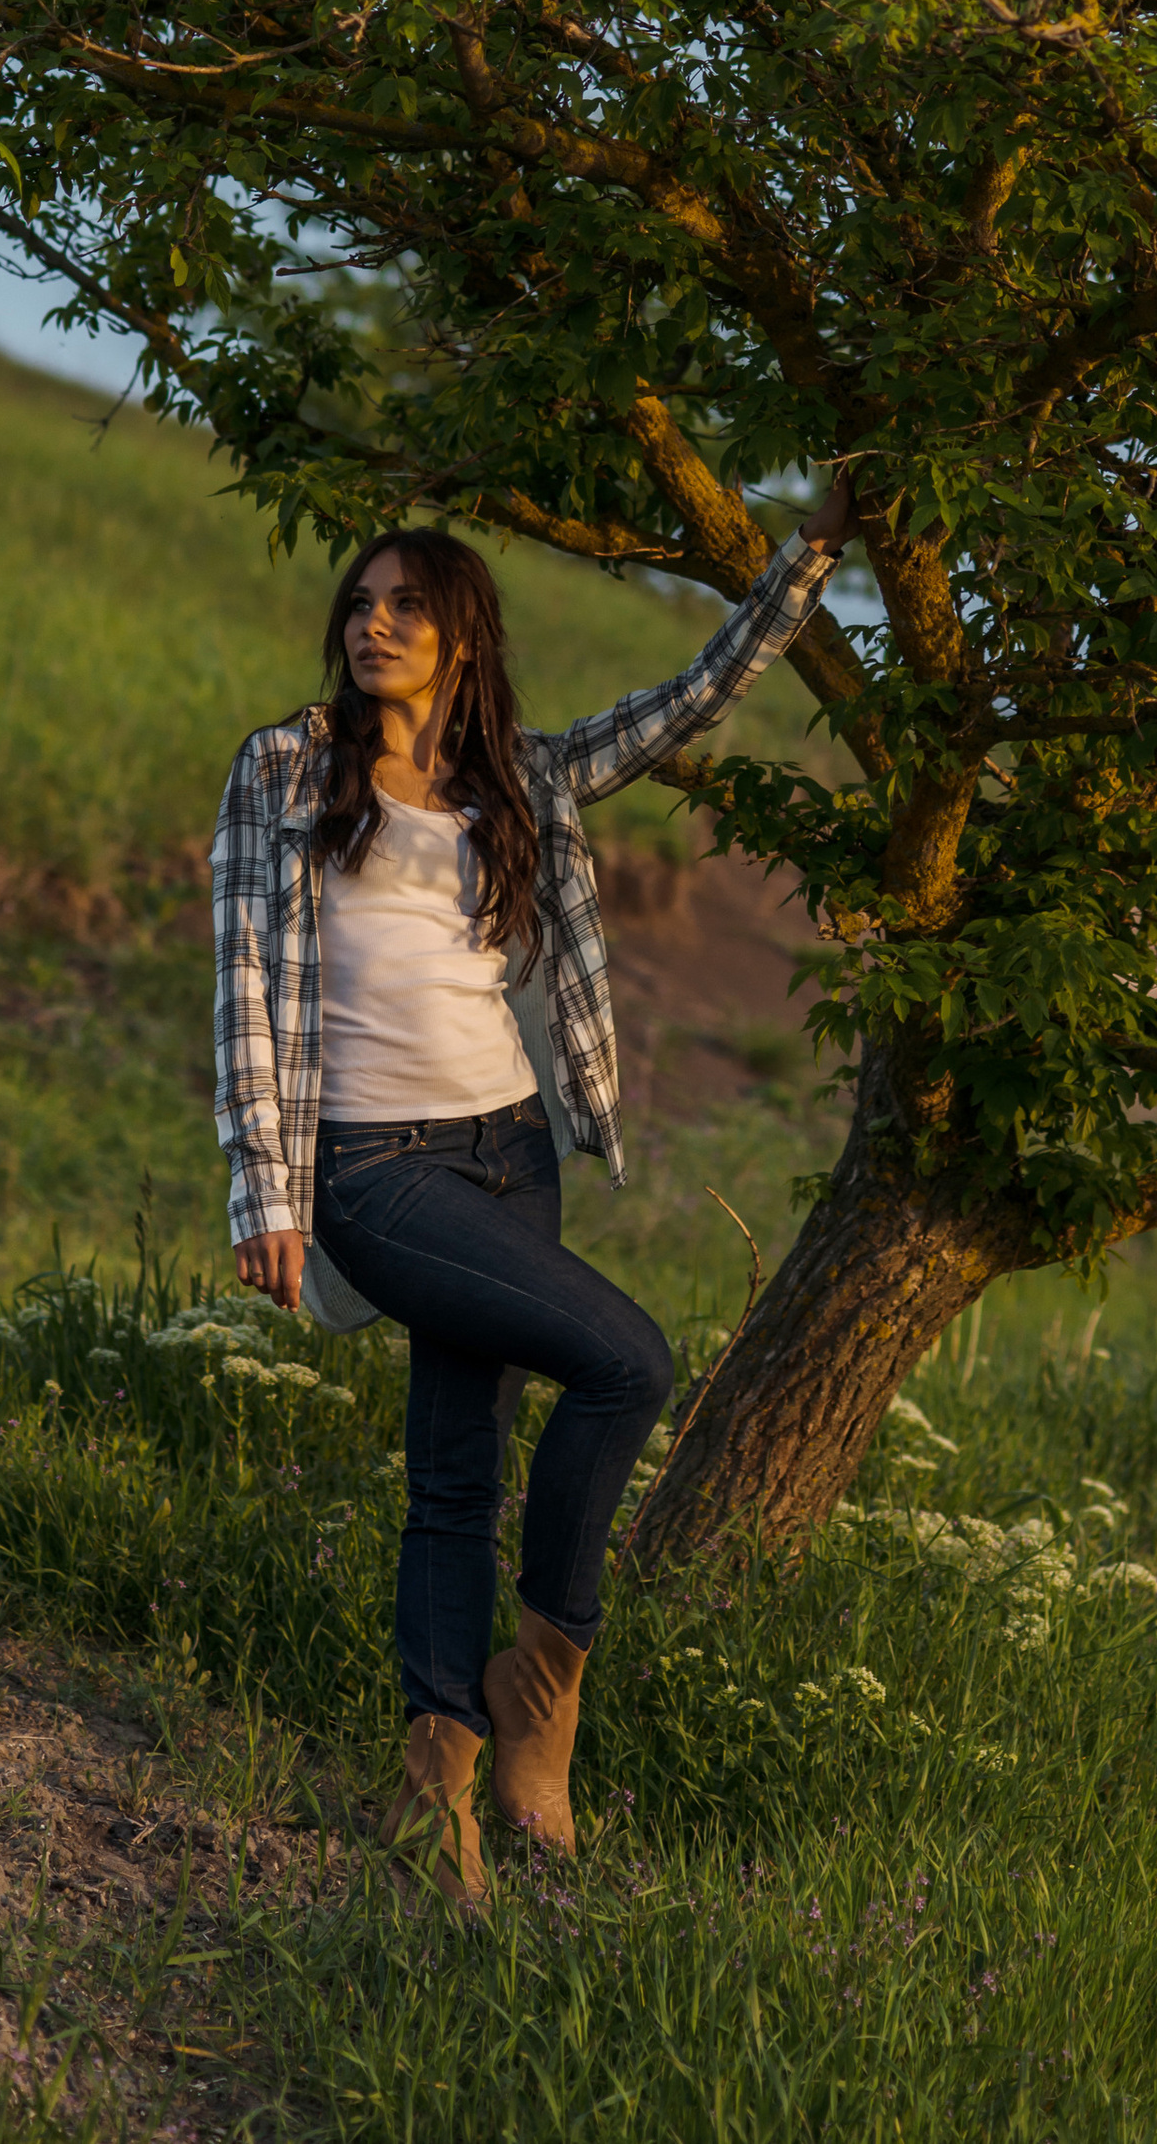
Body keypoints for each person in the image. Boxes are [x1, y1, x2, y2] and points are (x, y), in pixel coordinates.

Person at [209, 477, 853, 1913]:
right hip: (376, 1165)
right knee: (629, 1362)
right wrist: (267, 1188)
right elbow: (244, 976)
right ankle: (536, 1690)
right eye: (361, 605)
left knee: (458, 1463)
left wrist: (807, 556)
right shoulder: (284, 768)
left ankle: (463, 1760)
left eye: (406, 605)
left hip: (513, 1146)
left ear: (463, 637)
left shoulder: (529, 782)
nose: (374, 624)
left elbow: (693, 699)